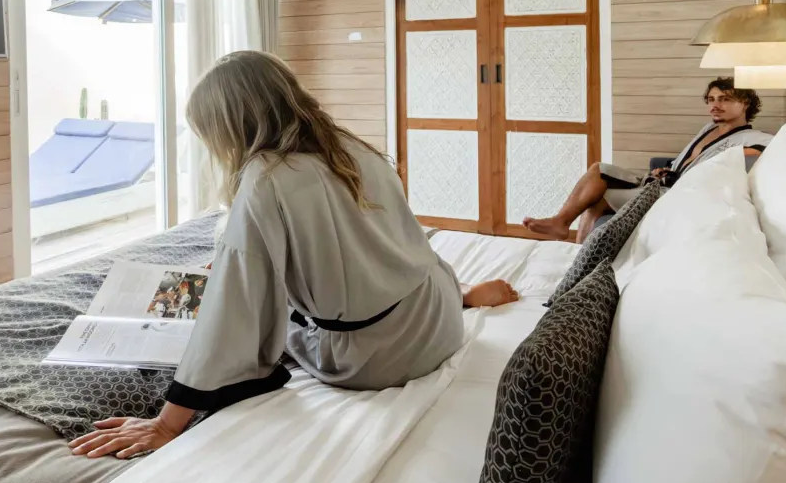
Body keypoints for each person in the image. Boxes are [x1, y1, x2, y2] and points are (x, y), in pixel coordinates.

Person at [72, 50, 518, 460]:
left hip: (380, 356)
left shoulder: (265, 177)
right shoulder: (350, 147)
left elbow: (233, 315)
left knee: (254, 311)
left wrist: (166, 424)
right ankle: (463, 292)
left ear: (232, 127)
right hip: (436, 312)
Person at [522, 77, 772, 241]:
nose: (715, 105)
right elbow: (686, 162)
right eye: (711, 100)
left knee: (598, 198)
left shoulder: (753, 138)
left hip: (677, 197)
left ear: (745, 103)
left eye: (725, 99)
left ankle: (567, 238)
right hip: (660, 183)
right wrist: (666, 169)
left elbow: (754, 157)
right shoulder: (708, 129)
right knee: (599, 171)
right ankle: (566, 234)